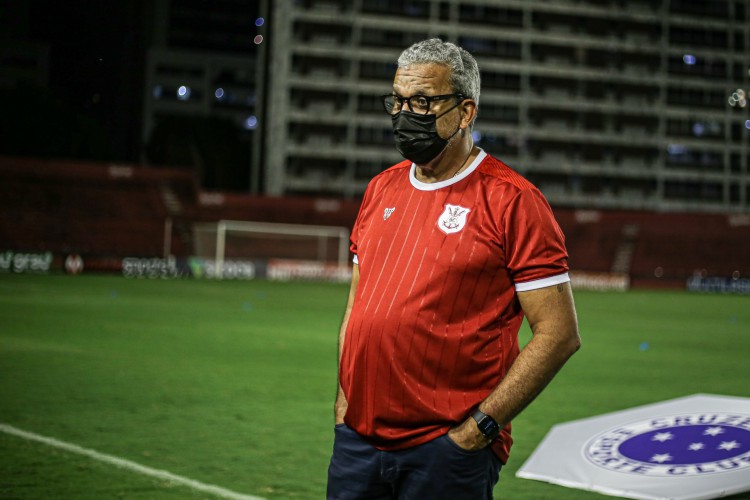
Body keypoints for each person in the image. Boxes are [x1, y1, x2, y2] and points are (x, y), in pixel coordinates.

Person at [327, 38, 581, 499]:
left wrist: (479, 428)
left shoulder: (513, 200)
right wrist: (345, 402)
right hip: (358, 442)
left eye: (423, 102)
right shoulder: (380, 189)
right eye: (398, 101)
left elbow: (559, 333)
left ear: (466, 113)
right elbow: (358, 306)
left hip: (445, 450)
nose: (405, 115)